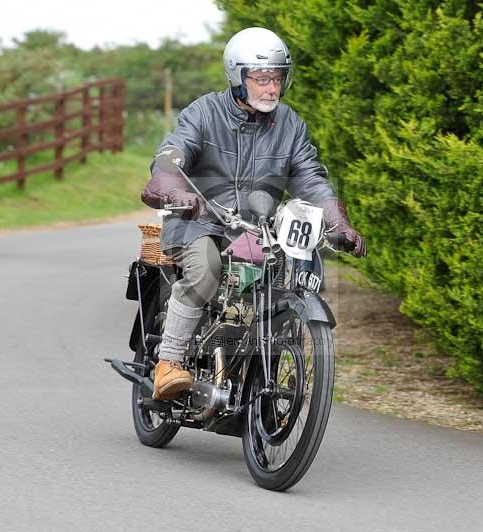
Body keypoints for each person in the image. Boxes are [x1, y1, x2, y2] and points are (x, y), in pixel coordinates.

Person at [141, 27, 367, 400]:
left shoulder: (289, 124)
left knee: (288, 280)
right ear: (237, 77)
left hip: (256, 231)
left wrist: (337, 221)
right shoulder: (204, 112)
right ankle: (169, 361)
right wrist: (172, 187)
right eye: (261, 79)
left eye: (276, 78)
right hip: (198, 222)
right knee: (207, 268)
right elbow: (172, 153)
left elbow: (311, 177)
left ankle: (257, 381)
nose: (271, 88)